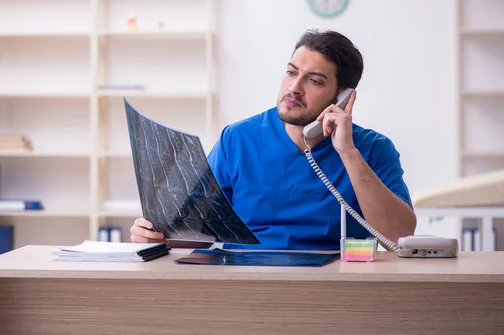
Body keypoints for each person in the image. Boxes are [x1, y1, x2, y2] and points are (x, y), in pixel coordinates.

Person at [130, 29, 416, 251]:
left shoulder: (373, 149)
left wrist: (348, 153)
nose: (294, 87)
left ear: (343, 98)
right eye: (292, 72)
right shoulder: (238, 140)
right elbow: (196, 233)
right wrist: (157, 237)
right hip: (248, 288)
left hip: (336, 293)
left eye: (314, 80)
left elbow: (398, 238)